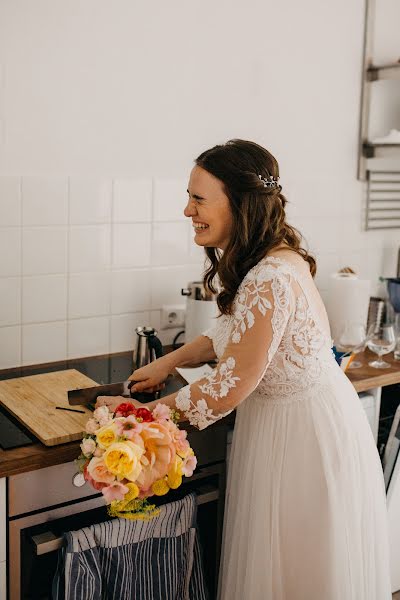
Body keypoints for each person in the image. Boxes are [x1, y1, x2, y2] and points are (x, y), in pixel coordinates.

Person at [98, 139, 391, 599]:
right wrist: (168, 362)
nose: (186, 210)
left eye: (198, 198)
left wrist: (141, 418)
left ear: (238, 203)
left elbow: (227, 387)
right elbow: (231, 331)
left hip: (302, 438)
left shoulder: (270, 276)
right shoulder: (271, 258)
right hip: (294, 423)